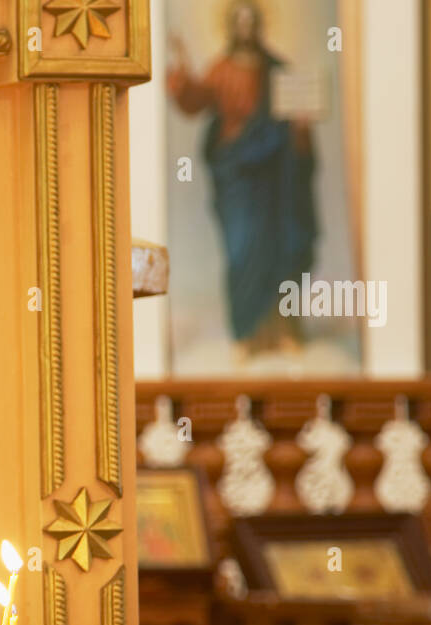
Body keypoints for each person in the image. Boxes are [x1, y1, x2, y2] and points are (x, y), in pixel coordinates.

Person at [168, 0, 319, 363]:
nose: (247, 29)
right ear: (232, 27)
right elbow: (197, 99)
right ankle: (245, 333)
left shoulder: (277, 70)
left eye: (252, 22)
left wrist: (299, 131)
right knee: (240, 252)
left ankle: (282, 330)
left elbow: (296, 120)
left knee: (279, 247)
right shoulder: (221, 69)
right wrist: (183, 80)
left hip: (273, 180)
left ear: (260, 26)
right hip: (236, 176)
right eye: (241, 22)